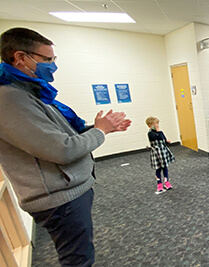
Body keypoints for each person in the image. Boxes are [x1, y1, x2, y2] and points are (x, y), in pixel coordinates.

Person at [0, 27, 131, 267]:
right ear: (19, 57)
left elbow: (62, 135)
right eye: (47, 59)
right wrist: (100, 130)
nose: (53, 66)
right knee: (77, 258)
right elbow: (62, 149)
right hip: (58, 198)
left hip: (69, 190)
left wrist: (102, 127)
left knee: (81, 251)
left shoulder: (32, 93)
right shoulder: (10, 99)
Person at [145, 116, 175, 193]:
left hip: (163, 152)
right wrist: (158, 131)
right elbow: (157, 138)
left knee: (165, 167)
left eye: (157, 124)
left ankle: (166, 182)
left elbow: (164, 140)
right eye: (155, 124)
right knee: (158, 168)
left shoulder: (160, 132)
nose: (157, 125)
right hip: (156, 153)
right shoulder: (150, 133)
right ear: (150, 125)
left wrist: (167, 141)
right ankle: (159, 184)